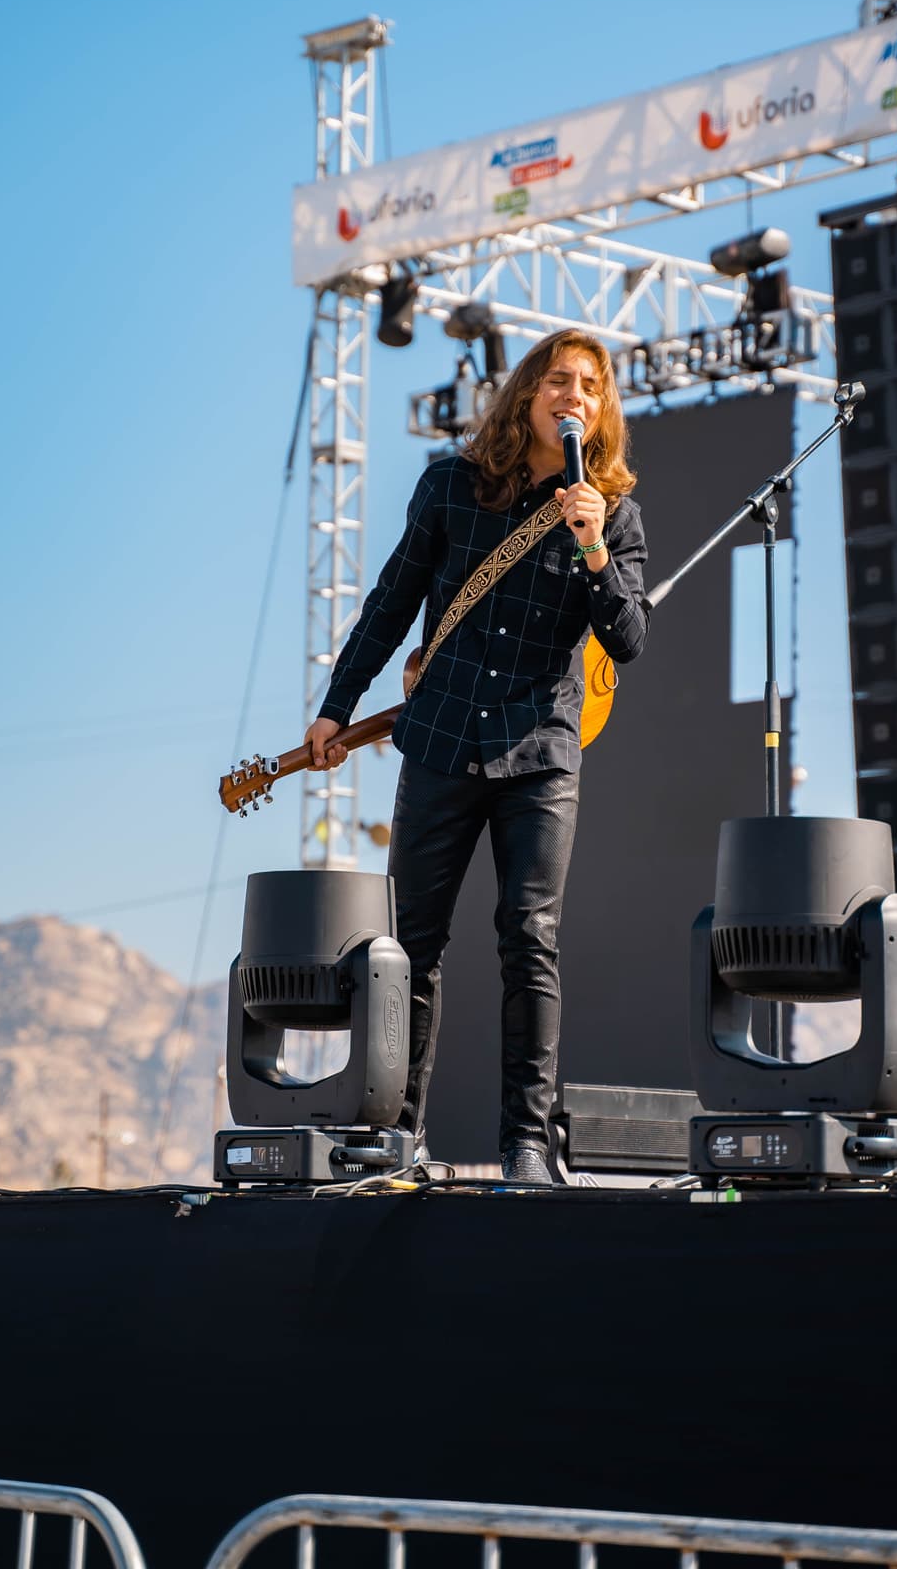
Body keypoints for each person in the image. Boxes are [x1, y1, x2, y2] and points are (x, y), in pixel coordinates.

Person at [305, 329, 650, 1183]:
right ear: (528, 393)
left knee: (530, 941)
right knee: (411, 947)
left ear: (602, 411)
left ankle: (526, 1143)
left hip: (540, 751)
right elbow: (391, 601)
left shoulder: (613, 512)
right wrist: (336, 707)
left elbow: (628, 637)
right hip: (441, 742)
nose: (574, 396)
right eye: (559, 380)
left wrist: (594, 546)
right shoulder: (451, 486)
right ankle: (398, 1136)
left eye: (591, 387)